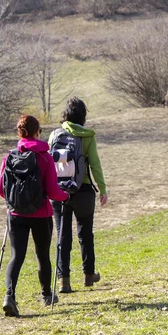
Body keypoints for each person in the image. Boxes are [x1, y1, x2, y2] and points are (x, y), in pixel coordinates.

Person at [0, 115, 69, 317]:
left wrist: (15, 200)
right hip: (41, 214)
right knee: (42, 255)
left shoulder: (9, 156)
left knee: (16, 256)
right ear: (38, 132)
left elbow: (0, 188)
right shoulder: (45, 157)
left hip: (15, 213)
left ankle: (9, 297)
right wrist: (65, 195)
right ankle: (46, 294)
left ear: (20, 133)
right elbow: (53, 191)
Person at [49, 97, 108, 294]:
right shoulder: (87, 136)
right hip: (83, 191)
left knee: (62, 235)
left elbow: (50, 165)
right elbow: (95, 165)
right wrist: (102, 189)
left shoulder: (55, 135)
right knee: (85, 234)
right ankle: (88, 276)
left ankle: (63, 281)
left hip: (59, 192)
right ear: (83, 116)